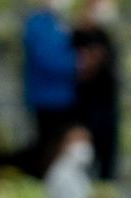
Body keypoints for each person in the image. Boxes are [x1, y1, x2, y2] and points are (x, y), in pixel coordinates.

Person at [21, 0, 78, 173]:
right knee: (48, 147)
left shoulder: (58, 22)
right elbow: (47, 60)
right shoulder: (38, 24)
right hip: (47, 99)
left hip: (63, 98)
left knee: (58, 146)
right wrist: (77, 64)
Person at [71, 0, 120, 181]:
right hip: (87, 107)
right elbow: (81, 69)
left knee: (107, 157)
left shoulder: (103, 35)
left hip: (107, 107)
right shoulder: (77, 36)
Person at [44, 125, 96, 198]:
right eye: (79, 142)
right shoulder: (61, 173)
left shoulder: (79, 173)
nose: (85, 147)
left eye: (87, 142)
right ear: (66, 145)